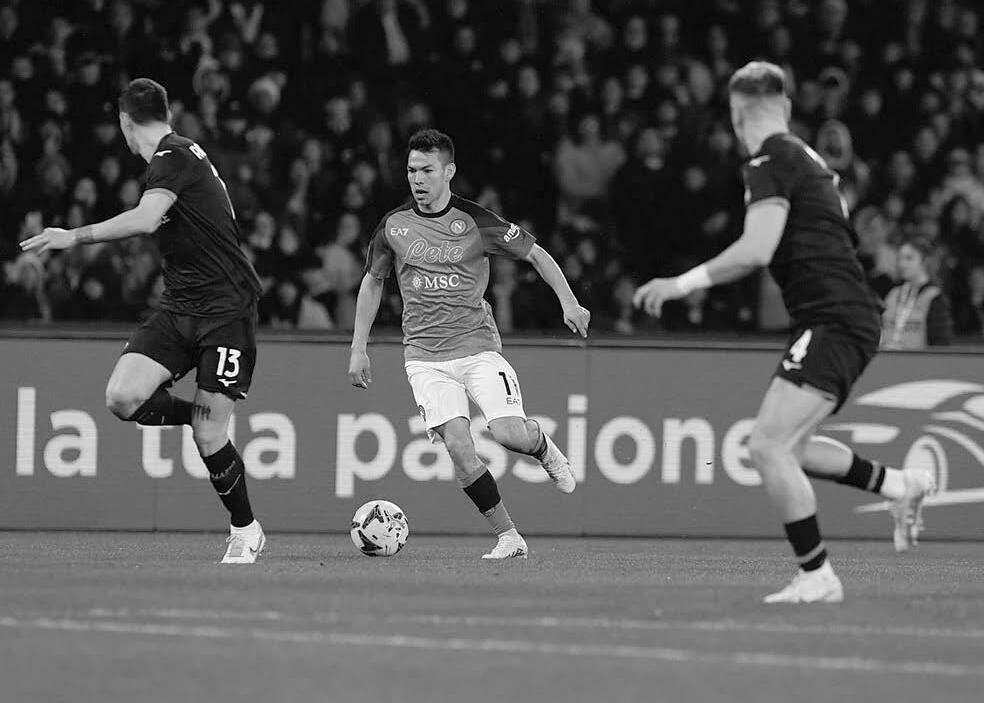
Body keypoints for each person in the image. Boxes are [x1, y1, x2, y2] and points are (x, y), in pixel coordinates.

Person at [633, 62, 936, 604]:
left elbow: (756, 250)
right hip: (842, 315)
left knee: (767, 446)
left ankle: (817, 574)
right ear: (788, 108)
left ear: (736, 115)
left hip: (835, 318)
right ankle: (899, 484)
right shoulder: (807, 158)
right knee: (792, 446)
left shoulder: (770, 160)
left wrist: (678, 285)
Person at [20, 78, 265, 564]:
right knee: (122, 396)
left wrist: (73, 236)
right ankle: (200, 415)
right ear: (165, 111)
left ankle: (246, 530)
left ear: (124, 122)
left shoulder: (173, 155)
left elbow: (147, 218)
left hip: (226, 311)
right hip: (180, 306)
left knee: (210, 436)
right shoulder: (178, 157)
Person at [348, 129, 590, 559]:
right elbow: (373, 281)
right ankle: (509, 536)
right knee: (460, 447)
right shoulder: (394, 226)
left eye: (427, 170)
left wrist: (569, 302)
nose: (417, 179)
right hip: (424, 357)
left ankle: (541, 446)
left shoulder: (477, 222)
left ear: (449, 172)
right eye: (411, 170)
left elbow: (536, 254)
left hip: (477, 347)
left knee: (508, 434)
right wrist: (358, 348)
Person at [880, 236, 953, 349]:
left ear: (925, 260)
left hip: (919, 359)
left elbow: (941, 344)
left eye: (909, 258)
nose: (902, 264)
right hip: (888, 358)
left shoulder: (935, 298)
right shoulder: (893, 294)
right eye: (899, 258)